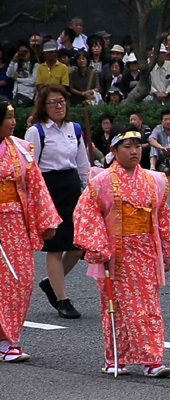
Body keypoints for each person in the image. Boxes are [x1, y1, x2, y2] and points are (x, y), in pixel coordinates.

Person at [72, 124, 170, 377]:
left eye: (137, 146)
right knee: (115, 307)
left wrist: (166, 248)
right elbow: (86, 214)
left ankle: (152, 358)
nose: (134, 151)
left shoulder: (155, 180)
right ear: (114, 150)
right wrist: (98, 246)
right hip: (114, 253)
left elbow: (162, 216)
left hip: (145, 250)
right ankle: (116, 356)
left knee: (147, 306)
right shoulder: (102, 182)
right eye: (127, 147)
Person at [0, 102, 61, 362]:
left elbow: (36, 185)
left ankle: (8, 338)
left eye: (14, 117)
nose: (13, 122)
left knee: (19, 279)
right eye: (8, 117)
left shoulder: (22, 150)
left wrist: (46, 221)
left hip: (15, 222)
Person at [25, 85, 89, 319]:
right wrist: (36, 199)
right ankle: (62, 299)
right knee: (55, 245)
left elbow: (82, 164)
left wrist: (90, 190)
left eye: (62, 101)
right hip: (48, 188)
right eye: (53, 102)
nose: (59, 106)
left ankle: (51, 282)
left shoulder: (75, 129)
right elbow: (30, 167)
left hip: (71, 186)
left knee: (79, 244)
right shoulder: (37, 131)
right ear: (43, 106)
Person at [8, 42, 39, 108]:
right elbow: (9, 74)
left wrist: (17, 79)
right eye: (21, 52)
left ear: (30, 52)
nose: (24, 54)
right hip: (16, 94)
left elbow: (33, 81)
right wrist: (13, 61)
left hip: (28, 95)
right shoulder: (17, 64)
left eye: (25, 51)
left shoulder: (36, 65)